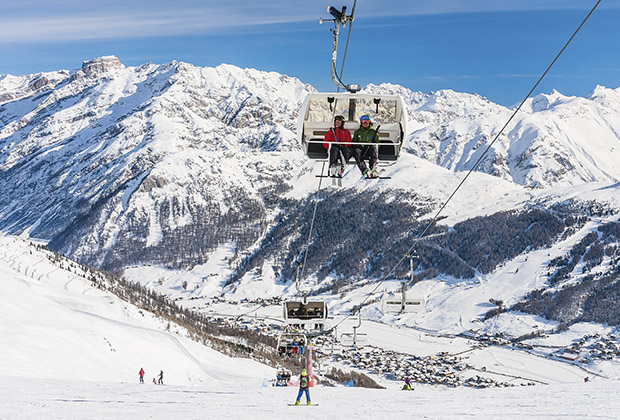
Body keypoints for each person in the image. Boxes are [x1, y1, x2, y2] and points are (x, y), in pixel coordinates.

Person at [352, 114, 380, 178]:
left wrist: (372, 144)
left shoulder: (373, 132)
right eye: (363, 121)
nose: (365, 123)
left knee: (373, 150)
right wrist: (358, 144)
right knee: (356, 152)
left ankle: (373, 167)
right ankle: (364, 170)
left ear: (369, 122)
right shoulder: (358, 132)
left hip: (369, 148)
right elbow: (354, 142)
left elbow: (377, 142)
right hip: (361, 148)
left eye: (366, 121)